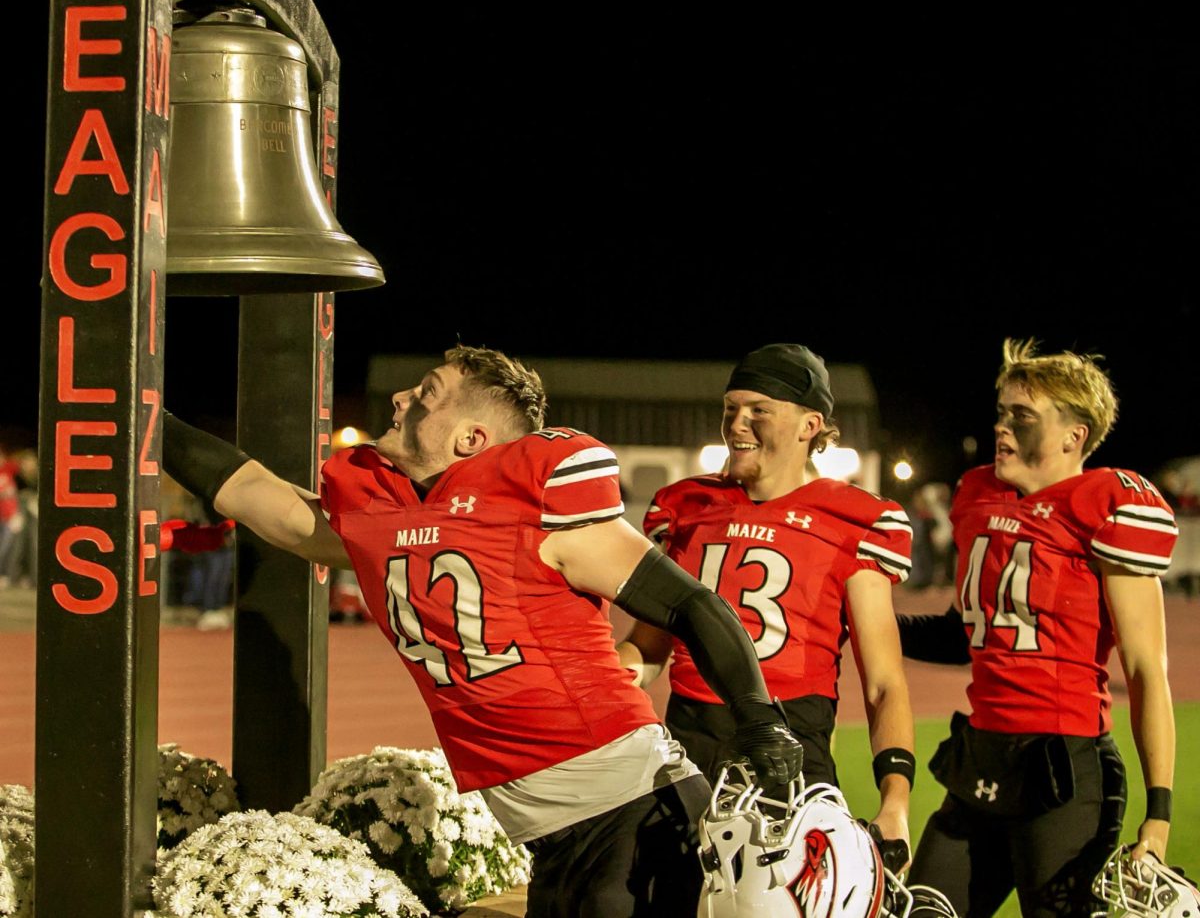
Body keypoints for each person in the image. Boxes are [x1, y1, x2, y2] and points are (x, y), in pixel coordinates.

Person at [162, 344, 802, 918]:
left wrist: (760, 718)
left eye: (427, 392)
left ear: (471, 437)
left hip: (633, 816)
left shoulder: (536, 505)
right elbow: (255, 496)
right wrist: (142, 415)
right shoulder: (380, 513)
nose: (402, 397)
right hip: (546, 839)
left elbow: (689, 603)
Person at [898, 338, 1178, 917]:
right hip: (980, 761)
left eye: (1021, 416)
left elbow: (1147, 668)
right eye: (1002, 412)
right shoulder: (977, 496)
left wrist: (1159, 813)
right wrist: (869, 623)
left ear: (1074, 435)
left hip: (1064, 773)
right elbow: (965, 634)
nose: (1002, 427)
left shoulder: (1105, 503)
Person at [617, 343, 916, 871]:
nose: (737, 423)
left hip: (789, 754)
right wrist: (614, 677)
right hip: (688, 746)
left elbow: (883, 682)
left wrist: (895, 803)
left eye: (759, 410)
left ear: (809, 426)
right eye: (731, 408)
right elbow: (648, 646)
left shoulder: (855, 521)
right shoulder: (686, 506)